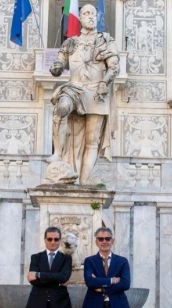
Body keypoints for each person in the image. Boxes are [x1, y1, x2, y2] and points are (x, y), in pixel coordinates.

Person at [46, 3, 119, 185]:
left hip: (96, 92)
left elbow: (114, 67)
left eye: (93, 13)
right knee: (62, 107)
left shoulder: (105, 41)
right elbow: (59, 64)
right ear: (80, 18)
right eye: (86, 13)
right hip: (75, 89)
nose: (91, 16)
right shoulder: (70, 42)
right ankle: (57, 152)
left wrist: (105, 82)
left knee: (91, 140)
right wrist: (56, 67)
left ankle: (85, 179)